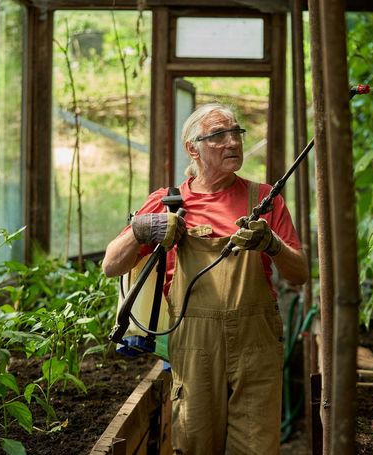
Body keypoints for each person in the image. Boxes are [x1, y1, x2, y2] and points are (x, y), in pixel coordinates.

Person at [102, 102, 308, 454]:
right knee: (195, 442)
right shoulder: (168, 202)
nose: (232, 143)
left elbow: (299, 274)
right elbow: (111, 265)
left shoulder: (264, 199)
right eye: (218, 135)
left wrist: (272, 245)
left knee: (259, 445)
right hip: (195, 343)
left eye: (236, 133)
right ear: (191, 148)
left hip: (256, 340)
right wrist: (141, 229)